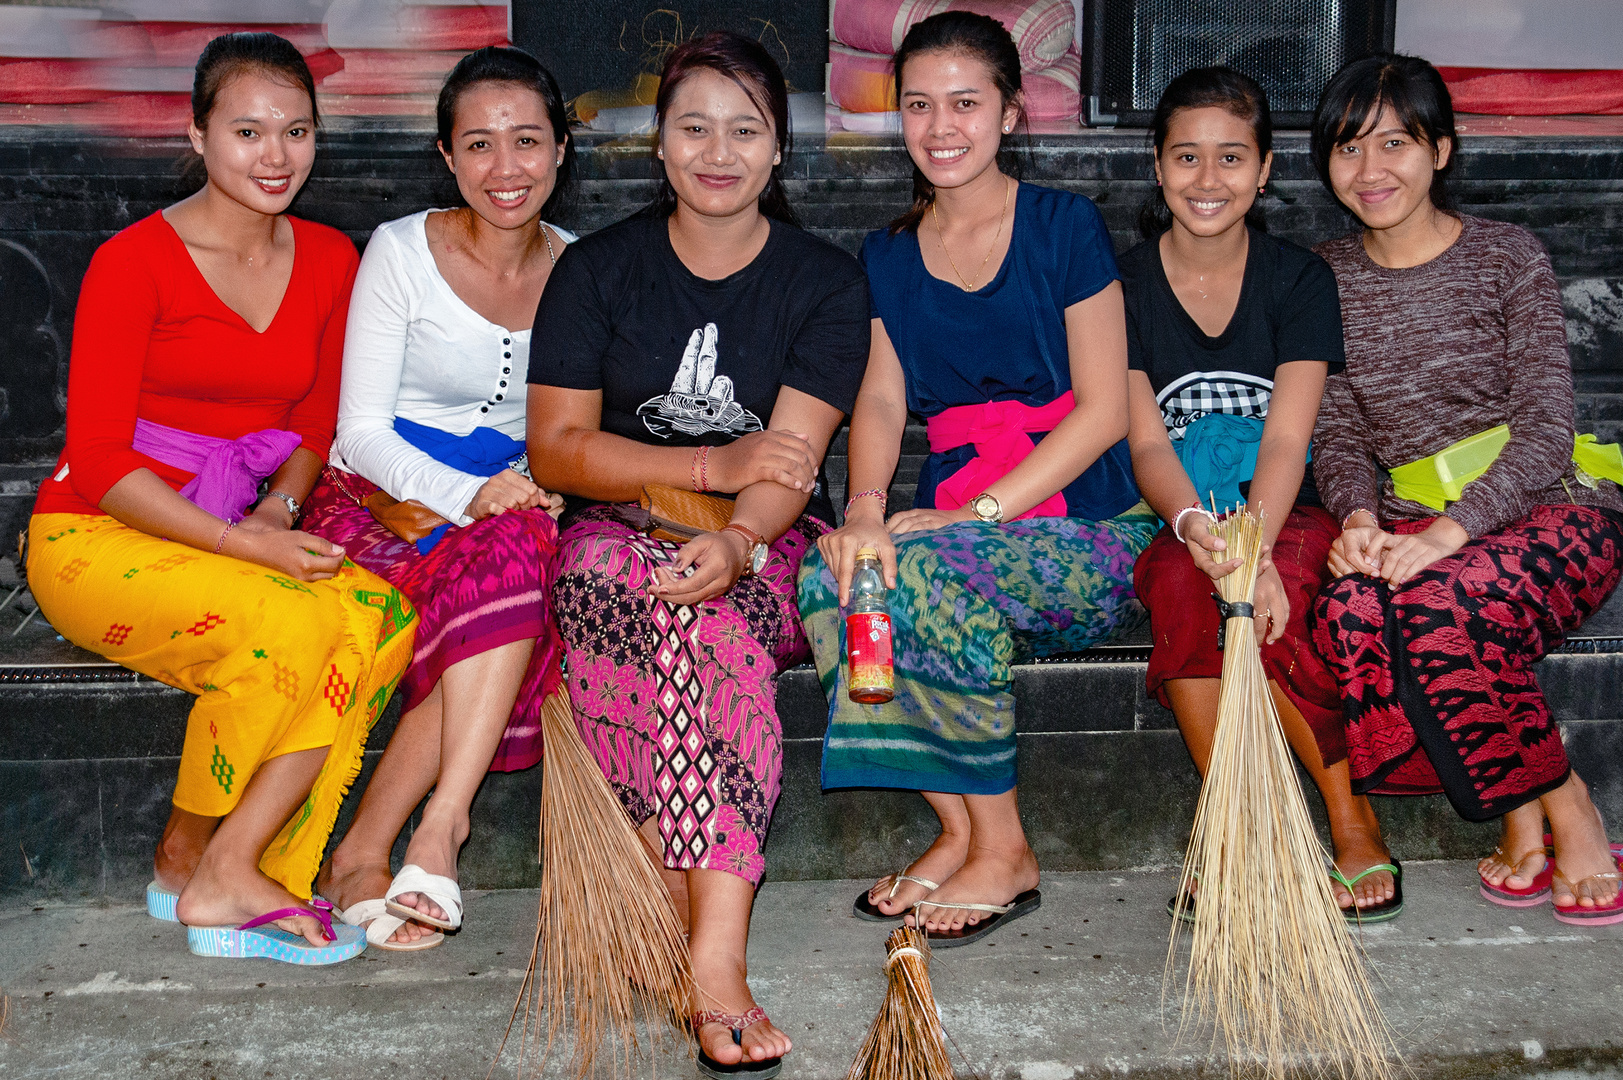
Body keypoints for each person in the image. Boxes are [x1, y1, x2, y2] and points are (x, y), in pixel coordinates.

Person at [26, 32, 415, 963]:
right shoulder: (133, 261)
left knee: (377, 614)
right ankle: (202, 860)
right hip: (97, 533)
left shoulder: (328, 258)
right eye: (247, 130)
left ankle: (247, 863)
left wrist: (277, 514)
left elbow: (315, 429)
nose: (275, 156)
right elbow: (100, 461)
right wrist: (245, 546)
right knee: (289, 622)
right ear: (197, 135)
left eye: (297, 132)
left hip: (245, 523)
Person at [527, 32, 870, 1074]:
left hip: (764, 547)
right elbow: (555, 448)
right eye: (693, 127)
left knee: (707, 627)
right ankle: (681, 921)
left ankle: (709, 957)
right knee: (613, 590)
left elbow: (795, 461)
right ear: (660, 149)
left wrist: (735, 538)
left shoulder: (822, 283)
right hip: (610, 538)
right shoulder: (598, 269)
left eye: (745, 129)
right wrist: (716, 463)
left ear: (778, 154)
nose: (717, 151)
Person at [800, 11, 1157, 946]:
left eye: (965, 101)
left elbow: (1105, 411)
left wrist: (984, 513)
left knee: (932, 570)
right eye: (918, 105)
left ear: (1009, 110)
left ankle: (1007, 848)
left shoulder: (1062, 226)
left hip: (1091, 523)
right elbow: (879, 403)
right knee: (831, 572)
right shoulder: (885, 253)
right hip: (962, 519)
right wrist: (868, 512)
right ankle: (958, 829)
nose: (940, 126)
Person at [1309, 53, 1623, 924]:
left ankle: (1568, 809)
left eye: (1394, 144)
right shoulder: (1319, 277)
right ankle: (1521, 814)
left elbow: (1546, 428)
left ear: (1440, 150)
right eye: (1346, 149)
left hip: (1550, 507)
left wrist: (1453, 528)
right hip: (1408, 520)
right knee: (1348, 611)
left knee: (1441, 605)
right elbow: (1332, 432)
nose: (1369, 172)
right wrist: (1359, 516)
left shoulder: (1504, 256)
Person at [300, 47, 575, 950]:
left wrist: (535, 489)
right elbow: (361, 432)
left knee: (517, 565)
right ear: (448, 158)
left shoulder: (583, 269)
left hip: (511, 509)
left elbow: (574, 426)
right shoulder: (400, 251)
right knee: (514, 569)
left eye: (527, 141)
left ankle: (415, 832)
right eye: (480, 145)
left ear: (562, 150)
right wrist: (473, 496)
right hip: (381, 500)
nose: (506, 169)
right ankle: (413, 837)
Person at [1121, 68, 1399, 920]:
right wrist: (1199, 528)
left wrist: (1254, 550)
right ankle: (1236, 825)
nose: (1208, 180)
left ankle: (1351, 821)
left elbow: (1286, 437)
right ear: (1158, 167)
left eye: (1231, 158)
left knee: (1277, 593)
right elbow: (1143, 438)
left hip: (1284, 505)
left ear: (1266, 168)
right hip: (1183, 512)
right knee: (1177, 581)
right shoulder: (1120, 283)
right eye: (1187, 157)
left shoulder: (1297, 279)